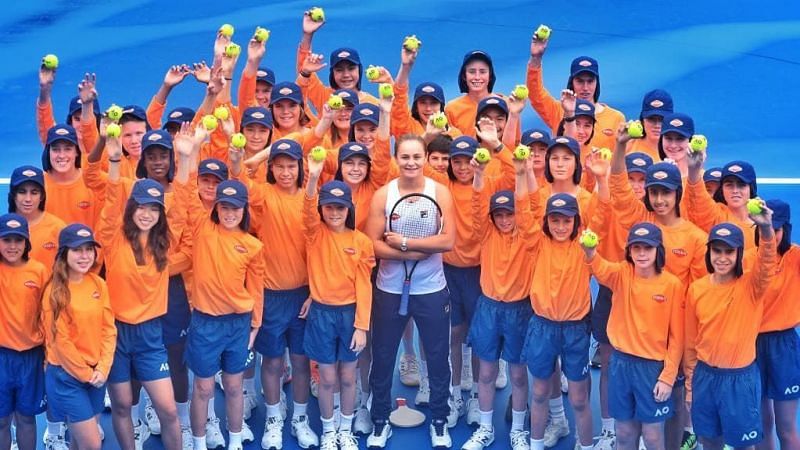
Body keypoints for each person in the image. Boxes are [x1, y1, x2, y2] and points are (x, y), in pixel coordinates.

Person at [97, 130, 189, 450]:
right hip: (117, 334)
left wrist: (187, 157)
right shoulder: (111, 239)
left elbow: (184, 201)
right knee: (122, 405)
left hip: (151, 336)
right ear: (131, 208)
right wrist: (112, 159)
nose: (147, 213)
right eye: (141, 206)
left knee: (167, 409)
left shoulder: (165, 245)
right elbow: (110, 199)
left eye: (154, 208)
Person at [365, 134, 456, 448]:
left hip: (431, 290)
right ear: (396, 158)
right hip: (389, 289)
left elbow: (447, 241)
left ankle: (440, 420)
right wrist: (415, 253)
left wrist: (406, 245)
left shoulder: (440, 193)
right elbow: (373, 244)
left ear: (426, 158)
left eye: (417, 157)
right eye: (405, 157)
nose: (411, 163)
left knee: (437, 357)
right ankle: (379, 420)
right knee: (383, 356)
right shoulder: (383, 195)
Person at [172, 148, 265, 450]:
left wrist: (255, 325)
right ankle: (200, 444)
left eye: (235, 207)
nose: (229, 212)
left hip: (238, 325)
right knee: (203, 387)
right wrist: (186, 158)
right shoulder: (201, 229)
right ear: (216, 207)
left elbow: (256, 288)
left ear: (243, 209)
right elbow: (185, 196)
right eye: (224, 206)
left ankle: (235, 441)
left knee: (235, 386)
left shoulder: (251, 245)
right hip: (205, 324)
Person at [230, 139, 318, 449]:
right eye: (278, 166)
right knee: (271, 361)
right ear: (271, 168)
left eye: (290, 165)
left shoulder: (312, 199)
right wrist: (240, 157)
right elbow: (240, 177)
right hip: (269, 296)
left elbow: (319, 250)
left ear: (300, 168)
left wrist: (314, 291)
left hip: (303, 296)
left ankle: (300, 419)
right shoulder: (263, 194)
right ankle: (273, 417)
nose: (284, 171)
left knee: (301, 361)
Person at [582, 223, 685, 450]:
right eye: (636, 247)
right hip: (621, 365)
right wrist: (590, 251)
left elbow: (678, 338)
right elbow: (598, 266)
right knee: (624, 433)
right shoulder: (621, 274)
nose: (641, 253)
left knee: (652, 436)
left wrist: (668, 377)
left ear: (658, 250)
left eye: (647, 248)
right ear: (629, 250)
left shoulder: (672, 285)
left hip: (652, 370)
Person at [460, 155, 534, 450]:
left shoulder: (529, 237)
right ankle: (486, 428)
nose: (504, 219)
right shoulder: (487, 232)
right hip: (488, 308)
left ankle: (518, 430)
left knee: (517, 373)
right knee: (487, 371)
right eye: (499, 214)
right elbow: (477, 207)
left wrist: (519, 174)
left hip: (519, 310)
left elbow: (527, 204)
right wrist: (478, 175)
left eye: (509, 214)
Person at [684, 214, 777, 450]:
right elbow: (691, 343)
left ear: (738, 255)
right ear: (709, 253)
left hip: (740, 380)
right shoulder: (697, 289)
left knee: (743, 446)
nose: (722, 258)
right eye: (717, 251)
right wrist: (689, 388)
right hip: (704, 378)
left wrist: (766, 229)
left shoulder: (752, 287)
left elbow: (766, 262)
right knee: (709, 442)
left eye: (729, 252)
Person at [302, 156, 375, 450]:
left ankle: (346, 429)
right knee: (327, 378)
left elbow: (363, 287)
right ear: (321, 209)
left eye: (340, 207)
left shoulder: (362, 242)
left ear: (349, 209)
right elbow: (306, 211)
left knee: (348, 377)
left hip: (349, 316)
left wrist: (361, 326)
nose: (334, 212)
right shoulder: (314, 234)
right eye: (329, 207)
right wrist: (312, 178)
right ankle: (329, 431)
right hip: (321, 315)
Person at [523, 193, 595, 450]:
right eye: (555, 220)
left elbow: (604, 208)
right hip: (543, 327)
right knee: (540, 392)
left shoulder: (586, 244)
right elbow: (522, 210)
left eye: (567, 221)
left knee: (578, 399)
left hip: (576, 330)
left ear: (577, 221)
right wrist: (521, 172)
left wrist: (601, 179)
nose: (561, 226)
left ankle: (585, 445)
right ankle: (536, 444)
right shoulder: (538, 243)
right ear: (546, 221)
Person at [42, 223, 117, 450]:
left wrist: (103, 367)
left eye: (88, 249)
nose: (84, 256)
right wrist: (87, 374)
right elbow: (61, 343)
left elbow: (108, 328)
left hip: (96, 374)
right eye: (77, 250)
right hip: (68, 377)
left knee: (79, 441)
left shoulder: (98, 284)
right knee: (93, 443)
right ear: (64, 254)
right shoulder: (54, 292)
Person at [745, 200, 800, 450]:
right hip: (751, 344)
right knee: (761, 422)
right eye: (765, 229)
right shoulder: (748, 259)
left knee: (786, 427)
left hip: (784, 346)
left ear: (785, 229)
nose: (770, 234)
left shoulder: (796, 256)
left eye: (776, 230)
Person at [526, 31, 625, 152]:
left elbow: (619, 163)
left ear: (597, 83)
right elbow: (535, 93)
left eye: (590, 81)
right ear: (571, 82)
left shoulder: (615, 118)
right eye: (580, 81)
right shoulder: (559, 110)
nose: (585, 87)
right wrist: (536, 58)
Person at [0, 214, 49, 450]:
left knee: (27, 418)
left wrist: (50, 354)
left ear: (27, 243)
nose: (12, 246)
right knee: (1, 420)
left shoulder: (39, 271)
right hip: (1, 357)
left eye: (18, 241)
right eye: (6, 240)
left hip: (31, 357)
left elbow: (49, 314)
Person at [7, 165, 66, 271]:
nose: (28, 199)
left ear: (42, 196)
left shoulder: (58, 228)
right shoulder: (3, 229)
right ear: (13, 195)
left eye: (34, 193)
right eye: (22, 192)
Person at [626, 90, 674, 160]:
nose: (657, 125)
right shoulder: (628, 146)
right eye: (651, 119)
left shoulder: (678, 151)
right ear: (642, 120)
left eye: (662, 119)